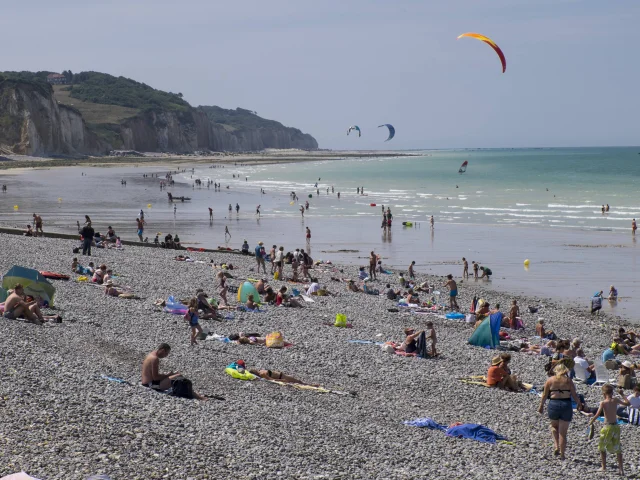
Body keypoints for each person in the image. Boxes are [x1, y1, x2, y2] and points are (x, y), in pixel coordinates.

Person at [538, 364, 582, 460]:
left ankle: (556, 446)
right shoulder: (568, 381)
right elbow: (574, 395)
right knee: (563, 432)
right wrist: (579, 403)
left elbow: (545, 395)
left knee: (554, 426)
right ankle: (562, 454)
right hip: (566, 404)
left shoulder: (550, 380)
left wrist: (541, 406)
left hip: (553, 404)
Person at [588, 384, 631, 475]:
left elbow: (597, 414)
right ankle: (621, 469)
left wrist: (591, 421)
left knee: (602, 447)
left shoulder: (603, 403)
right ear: (612, 392)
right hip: (616, 426)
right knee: (617, 447)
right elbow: (628, 403)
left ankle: (603, 467)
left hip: (607, 427)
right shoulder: (615, 400)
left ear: (603, 393)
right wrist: (622, 394)